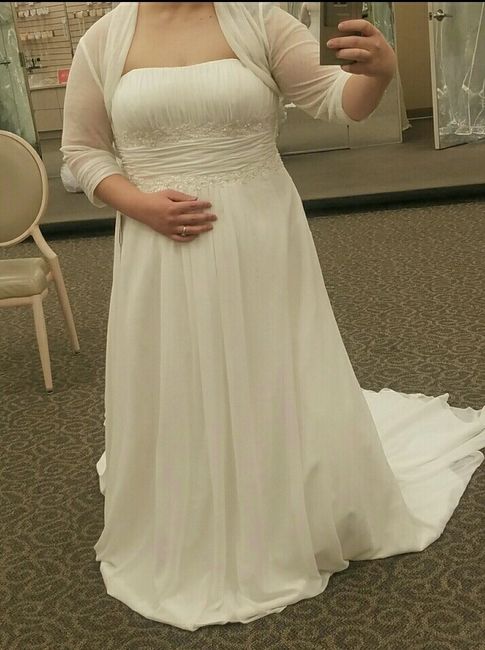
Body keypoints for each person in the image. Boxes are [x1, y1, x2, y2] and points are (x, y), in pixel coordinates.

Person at [61, 1, 485, 632]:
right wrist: (140, 205)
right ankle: (195, 504)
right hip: (159, 246)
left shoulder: (260, 20)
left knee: (267, 364)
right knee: (180, 371)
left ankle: (282, 502)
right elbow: (82, 151)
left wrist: (379, 72)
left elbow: (340, 101)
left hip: (257, 235)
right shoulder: (104, 39)